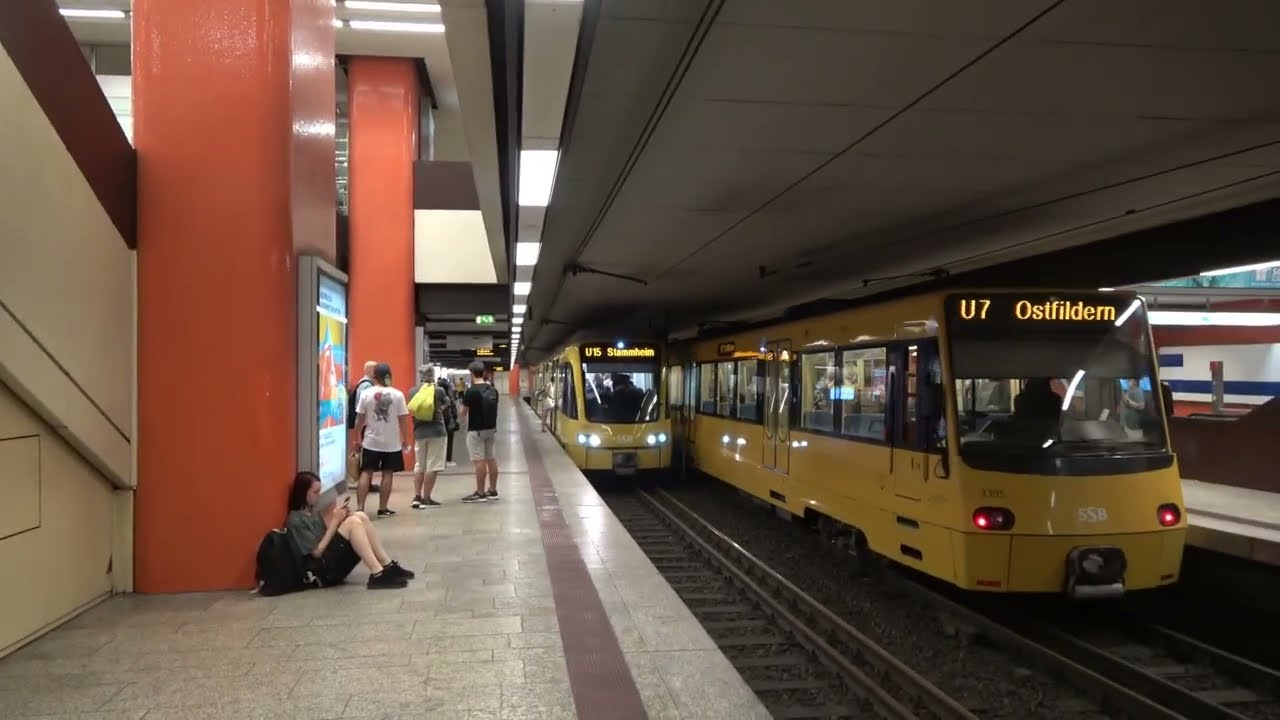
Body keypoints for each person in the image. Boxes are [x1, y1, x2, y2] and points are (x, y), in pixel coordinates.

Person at [285, 471, 413, 589]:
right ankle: (377, 573)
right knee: (353, 523)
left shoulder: (311, 511)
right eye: (315, 492)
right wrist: (335, 522)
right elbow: (317, 552)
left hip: (327, 559)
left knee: (360, 516)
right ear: (303, 492)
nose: (318, 496)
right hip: (321, 571)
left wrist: (340, 520)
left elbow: (325, 538)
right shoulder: (296, 519)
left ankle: (387, 564)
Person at [352, 363, 411, 516]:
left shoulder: (366, 394)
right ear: (389, 375)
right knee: (387, 473)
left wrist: (357, 437)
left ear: (374, 376)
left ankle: (360, 508)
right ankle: (383, 508)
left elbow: (359, 418)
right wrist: (405, 438)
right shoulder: (398, 394)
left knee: (366, 472)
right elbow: (403, 419)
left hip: (371, 441)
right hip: (391, 443)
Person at [408, 365, 449, 509]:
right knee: (433, 465)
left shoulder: (412, 391)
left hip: (419, 432)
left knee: (419, 465)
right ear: (433, 375)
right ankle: (427, 498)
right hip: (437, 431)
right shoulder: (438, 390)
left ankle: (417, 497)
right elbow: (447, 403)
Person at [459, 360, 500, 503]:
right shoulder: (493, 390)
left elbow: (462, 413)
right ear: (483, 373)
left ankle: (480, 492)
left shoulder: (471, 391)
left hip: (476, 431)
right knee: (491, 459)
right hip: (491, 429)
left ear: (471, 374)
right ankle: (493, 490)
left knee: (479, 461)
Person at [347, 361, 378, 491]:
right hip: (366, 425)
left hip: (364, 424)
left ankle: (365, 483)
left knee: (366, 455)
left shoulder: (363, 383)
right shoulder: (367, 385)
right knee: (367, 456)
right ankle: (366, 484)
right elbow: (363, 407)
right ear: (372, 371)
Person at [438, 372, 459, 467]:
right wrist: (455, 419)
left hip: (438, 421)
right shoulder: (450, 398)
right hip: (449, 421)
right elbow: (454, 411)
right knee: (449, 441)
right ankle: (448, 460)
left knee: (439, 441)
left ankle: (439, 460)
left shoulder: (436, 396)